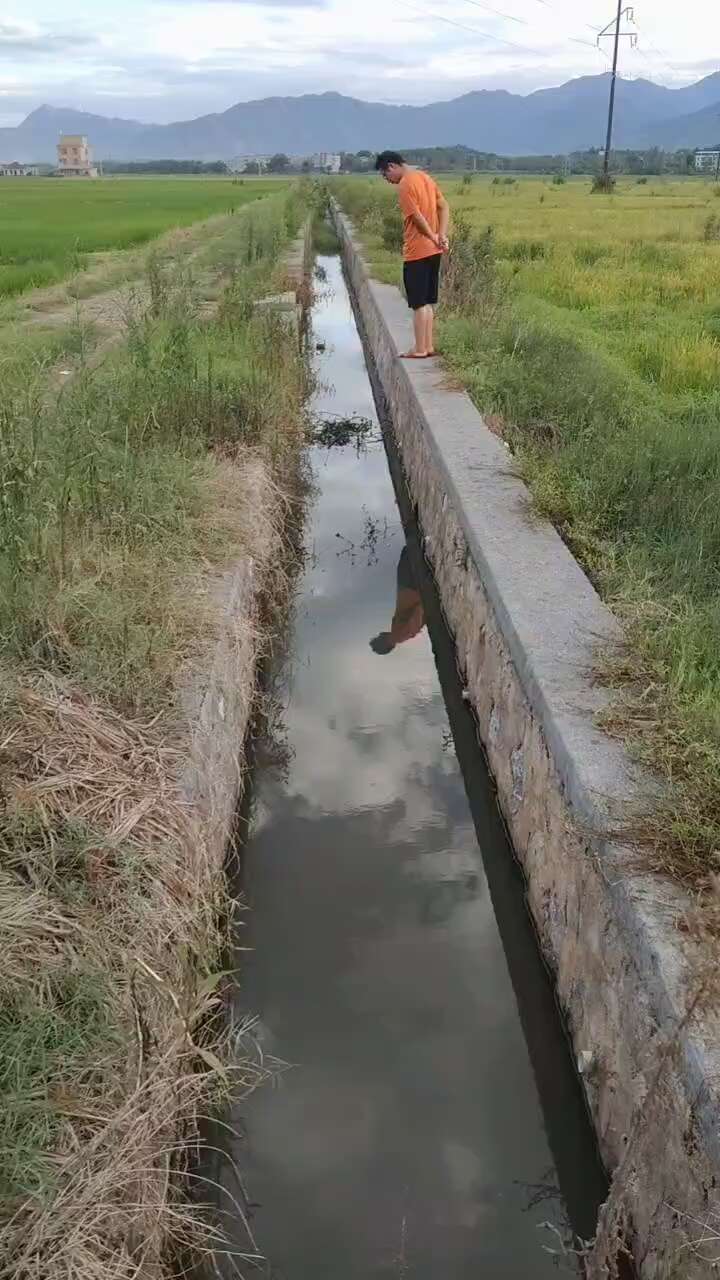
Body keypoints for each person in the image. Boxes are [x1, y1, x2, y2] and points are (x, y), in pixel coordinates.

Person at [374, 150, 449, 360]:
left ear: (391, 166)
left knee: (418, 303)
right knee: (427, 301)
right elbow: (443, 206)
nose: (387, 180)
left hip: (417, 251)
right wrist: (441, 235)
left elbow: (415, 217)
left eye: (384, 175)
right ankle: (428, 346)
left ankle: (419, 349)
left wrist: (433, 236)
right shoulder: (425, 177)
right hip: (434, 251)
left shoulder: (406, 184)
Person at [370, 546, 425, 655]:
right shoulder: (399, 635)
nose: (380, 634)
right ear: (384, 642)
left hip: (409, 590)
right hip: (410, 589)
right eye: (378, 637)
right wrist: (424, 603)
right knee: (409, 552)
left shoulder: (397, 634)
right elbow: (415, 621)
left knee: (409, 554)